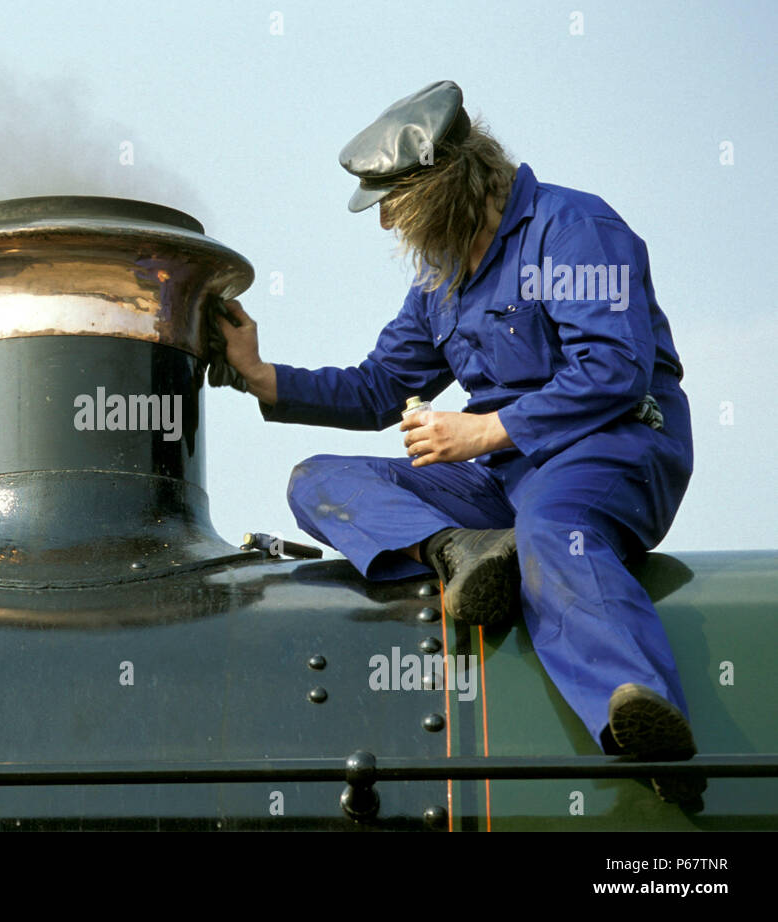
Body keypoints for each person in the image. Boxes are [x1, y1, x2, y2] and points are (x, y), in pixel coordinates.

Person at [217, 81, 703, 805]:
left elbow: (616, 368)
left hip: (611, 448)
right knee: (316, 480)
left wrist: (483, 430)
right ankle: (458, 550)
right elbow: (379, 389)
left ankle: (637, 712)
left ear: (446, 184)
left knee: (554, 528)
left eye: (393, 203)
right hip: (503, 476)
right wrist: (262, 377)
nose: (386, 224)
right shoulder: (440, 281)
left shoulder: (574, 228)